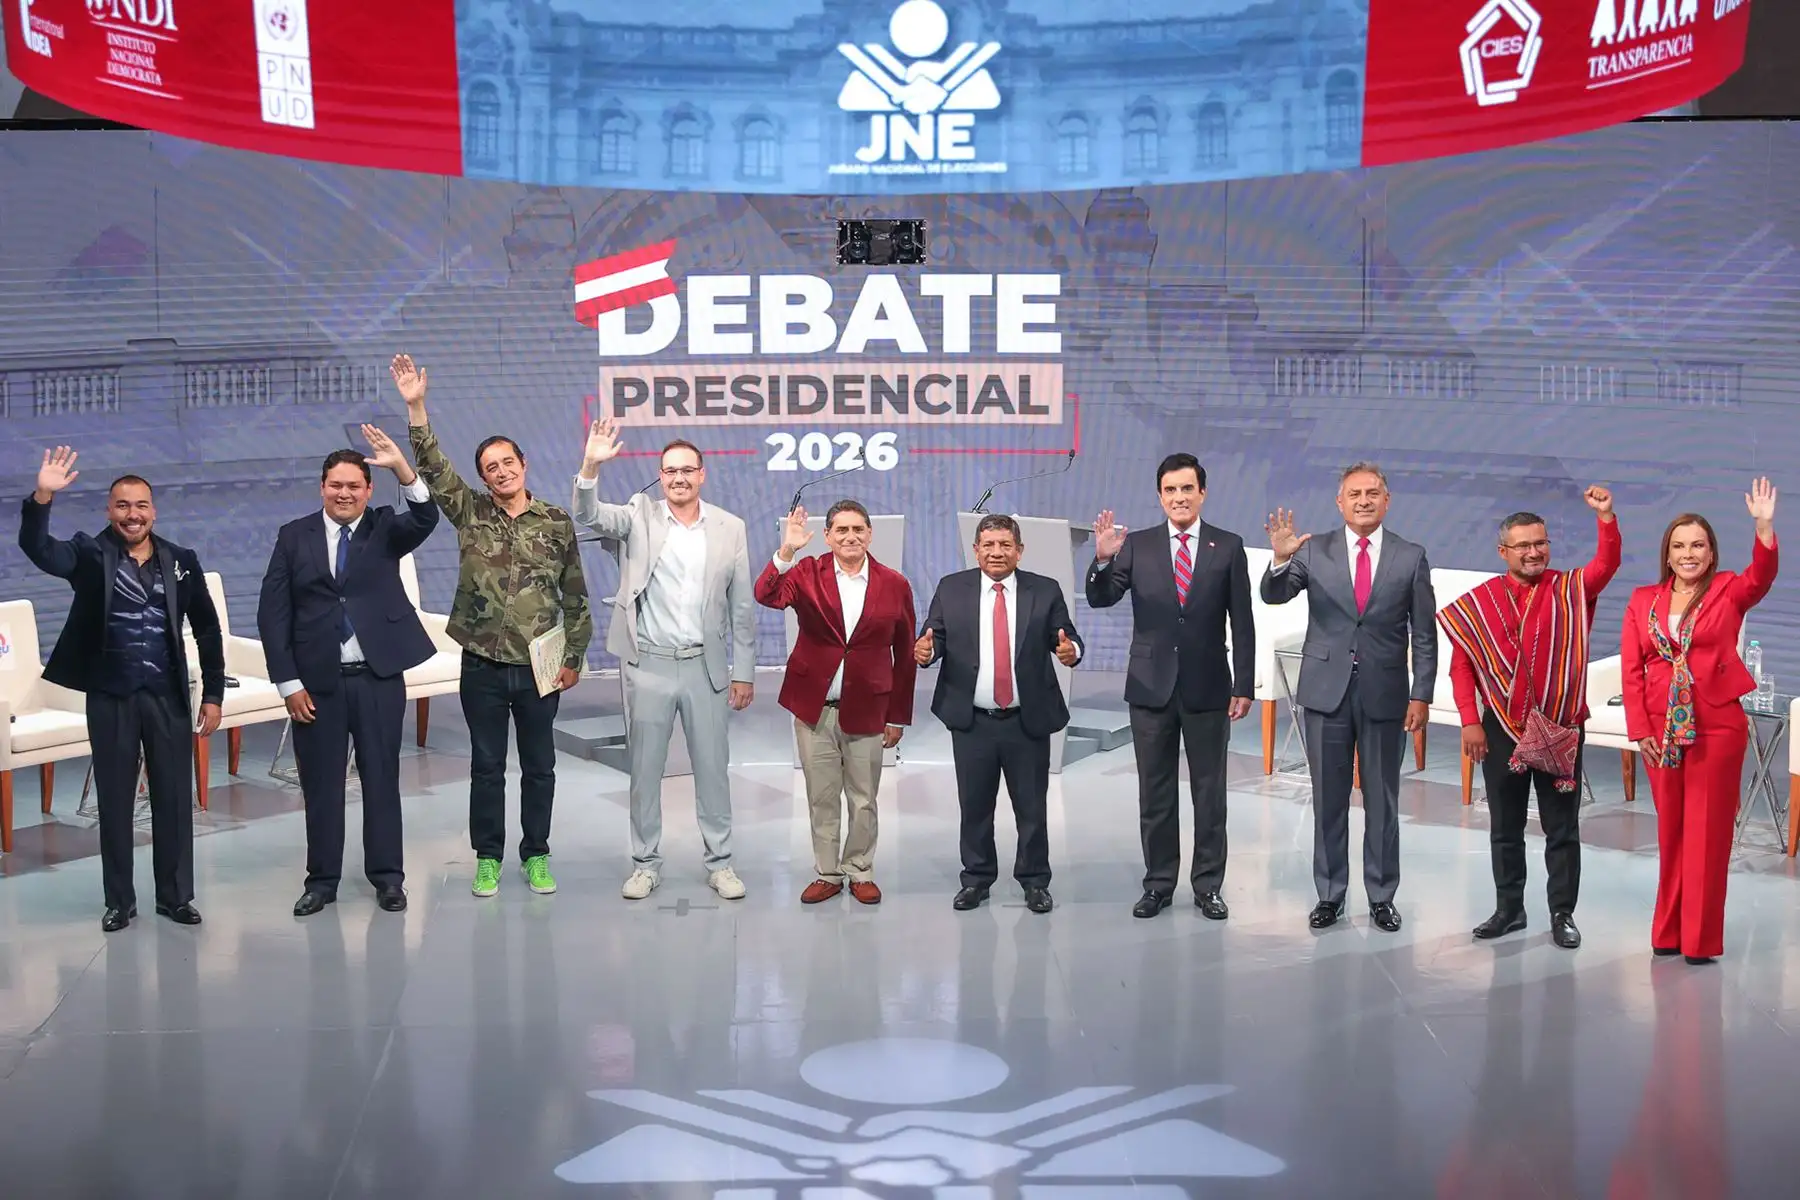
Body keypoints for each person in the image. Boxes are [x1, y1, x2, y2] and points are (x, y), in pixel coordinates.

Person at [392, 354, 592, 899]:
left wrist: (574, 658)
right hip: (481, 663)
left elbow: (574, 594)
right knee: (486, 766)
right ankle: (487, 857)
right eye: (491, 468)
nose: (501, 472)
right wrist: (416, 408)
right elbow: (434, 468)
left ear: (524, 464)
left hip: (539, 667)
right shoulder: (471, 512)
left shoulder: (555, 522)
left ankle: (537, 854)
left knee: (540, 767)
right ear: (483, 478)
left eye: (508, 462)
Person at [18, 448, 224, 931]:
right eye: (123, 505)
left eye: (141, 505)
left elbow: (208, 629)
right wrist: (43, 495)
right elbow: (39, 548)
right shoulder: (88, 554)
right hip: (111, 696)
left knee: (174, 799)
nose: (133, 514)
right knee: (114, 802)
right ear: (109, 510)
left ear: (154, 510)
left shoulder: (181, 561)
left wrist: (213, 694)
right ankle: (119, 901)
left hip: (167, 696)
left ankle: (175, 897)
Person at [571, 415, 755, 902]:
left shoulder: (730, 528)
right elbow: (588, 515)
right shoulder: (639, 515)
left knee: (712, 771)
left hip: (704, 668)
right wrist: (591, 465)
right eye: (670, 470)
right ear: (660, 475)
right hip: (648, 666)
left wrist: (743, 672)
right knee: (645, 773)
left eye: (687, 470)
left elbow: (741, 607)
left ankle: (720, 863)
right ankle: (645, 864)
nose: (678, 478)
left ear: (702, 475)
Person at [257, 435, 440, 916]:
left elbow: (426, 517)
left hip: (378, 678)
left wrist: (403, 469)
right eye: (336, 485)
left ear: (368, 489)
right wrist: (288, 683)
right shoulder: (293, 536)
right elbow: (273, 614)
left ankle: (388, 879)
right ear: (322, 487)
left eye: (354, 486)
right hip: (317, 685)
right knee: (321, 787)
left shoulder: (384, 528)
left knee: (382, 780)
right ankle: (321, 881)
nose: (344, 494)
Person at [1438, 487, 1620, 950]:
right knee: (1505, 827)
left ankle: (1562, 914)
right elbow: (1461, 667)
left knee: (1562, 829)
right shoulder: (1481, 602)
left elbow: (1607, 565)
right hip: (1500, 729)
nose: (1534, 552)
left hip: (1560, 728)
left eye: (1540, 543)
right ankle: (1509, 910)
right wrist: (1470, 720)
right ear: (1504, 551)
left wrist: (1606, 518)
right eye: (1523, 545)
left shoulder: (1569, 589)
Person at [1263, 461, 1435, 933]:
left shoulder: (1410, 556)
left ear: (1387, 501)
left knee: (1382, 801)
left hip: (1385, 694)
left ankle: (1381, 896)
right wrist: (1279, 560)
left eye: (1372, 493)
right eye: (1354, 494)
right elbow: (1275, 594)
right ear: (1339, 502)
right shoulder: (1312, 550)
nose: (1363, 501)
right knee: (1328, 799)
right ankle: (1330, 894)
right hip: (1326, 693)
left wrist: (1421, 693)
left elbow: (1424, 634)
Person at [1085, 452, 1254, 920]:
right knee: (1155, 792)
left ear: (1202, 493)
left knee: (1209, 793)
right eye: (1170, 490)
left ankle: (1208, 886)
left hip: (1208, 686)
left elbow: (1242, 620)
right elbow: (1101, 598)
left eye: (1187, 489)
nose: (1179, 497)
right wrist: (1102, 559)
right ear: (1160, 497)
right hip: (1150, 686)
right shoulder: (1136, 545)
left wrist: (1243, 683)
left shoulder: (1228, 546)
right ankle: (1158, 884)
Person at [1622, 478, 1778, 965]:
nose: (1688, 554)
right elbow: (1631, 669)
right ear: (1667, 555)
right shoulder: (1642, 599)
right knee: (1671, 833)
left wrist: (1764, 527)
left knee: (1707, 836)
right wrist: (1640, 730)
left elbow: (1762, 576)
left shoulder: (1729, 590)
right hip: (1660, 731)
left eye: (1698, 546)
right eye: (1679, 546)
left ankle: (1699, 941)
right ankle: (1667, 932)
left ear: (1711, 554)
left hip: (1716, 726)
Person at [918, 514, 1083, 914]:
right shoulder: (952, 588)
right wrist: (926, 651)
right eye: (988, 545)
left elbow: (1065, 635)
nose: (996, 552)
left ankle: (1035, 881)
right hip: (972, 720)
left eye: (1005, 545)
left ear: (1019, 551)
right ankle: (976, 878)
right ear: (976, 550)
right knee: (975, 806)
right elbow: (935, 636)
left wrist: (1071, 651)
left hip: (1027, 720)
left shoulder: (1044, 590)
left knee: (1032, 808)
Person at [755, 500, 915, 905]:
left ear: (870, 534)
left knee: (864, 799)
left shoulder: (894, 583)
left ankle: (859, 870)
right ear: (826, 536)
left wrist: (897, 716)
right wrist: (787, 550)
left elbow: (905, 655)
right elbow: (766, 594)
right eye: (841, 530)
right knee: (821, 797)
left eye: (858, 529)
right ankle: (827, 873)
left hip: (869, 708)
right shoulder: (806, 572)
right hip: (815, 709)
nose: (850, 537)